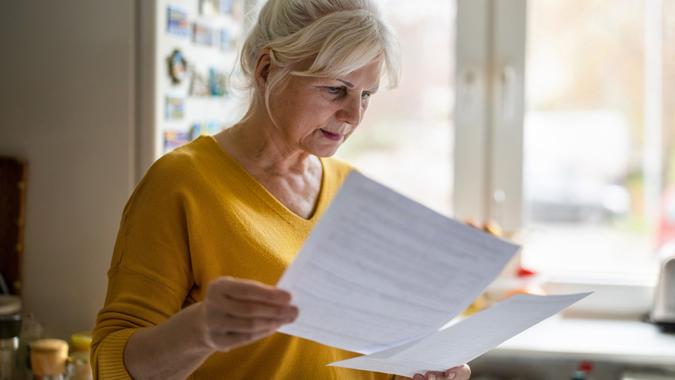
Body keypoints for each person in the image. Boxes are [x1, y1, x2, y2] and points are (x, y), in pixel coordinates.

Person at [92, 0, 471, 379]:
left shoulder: (352, 191)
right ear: (267, 69)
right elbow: (111, 364)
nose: (354, 115)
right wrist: (200, 330)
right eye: (336, 90)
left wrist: (420, 370)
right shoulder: (182, 183)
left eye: (366, 95)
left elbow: (361, 359)